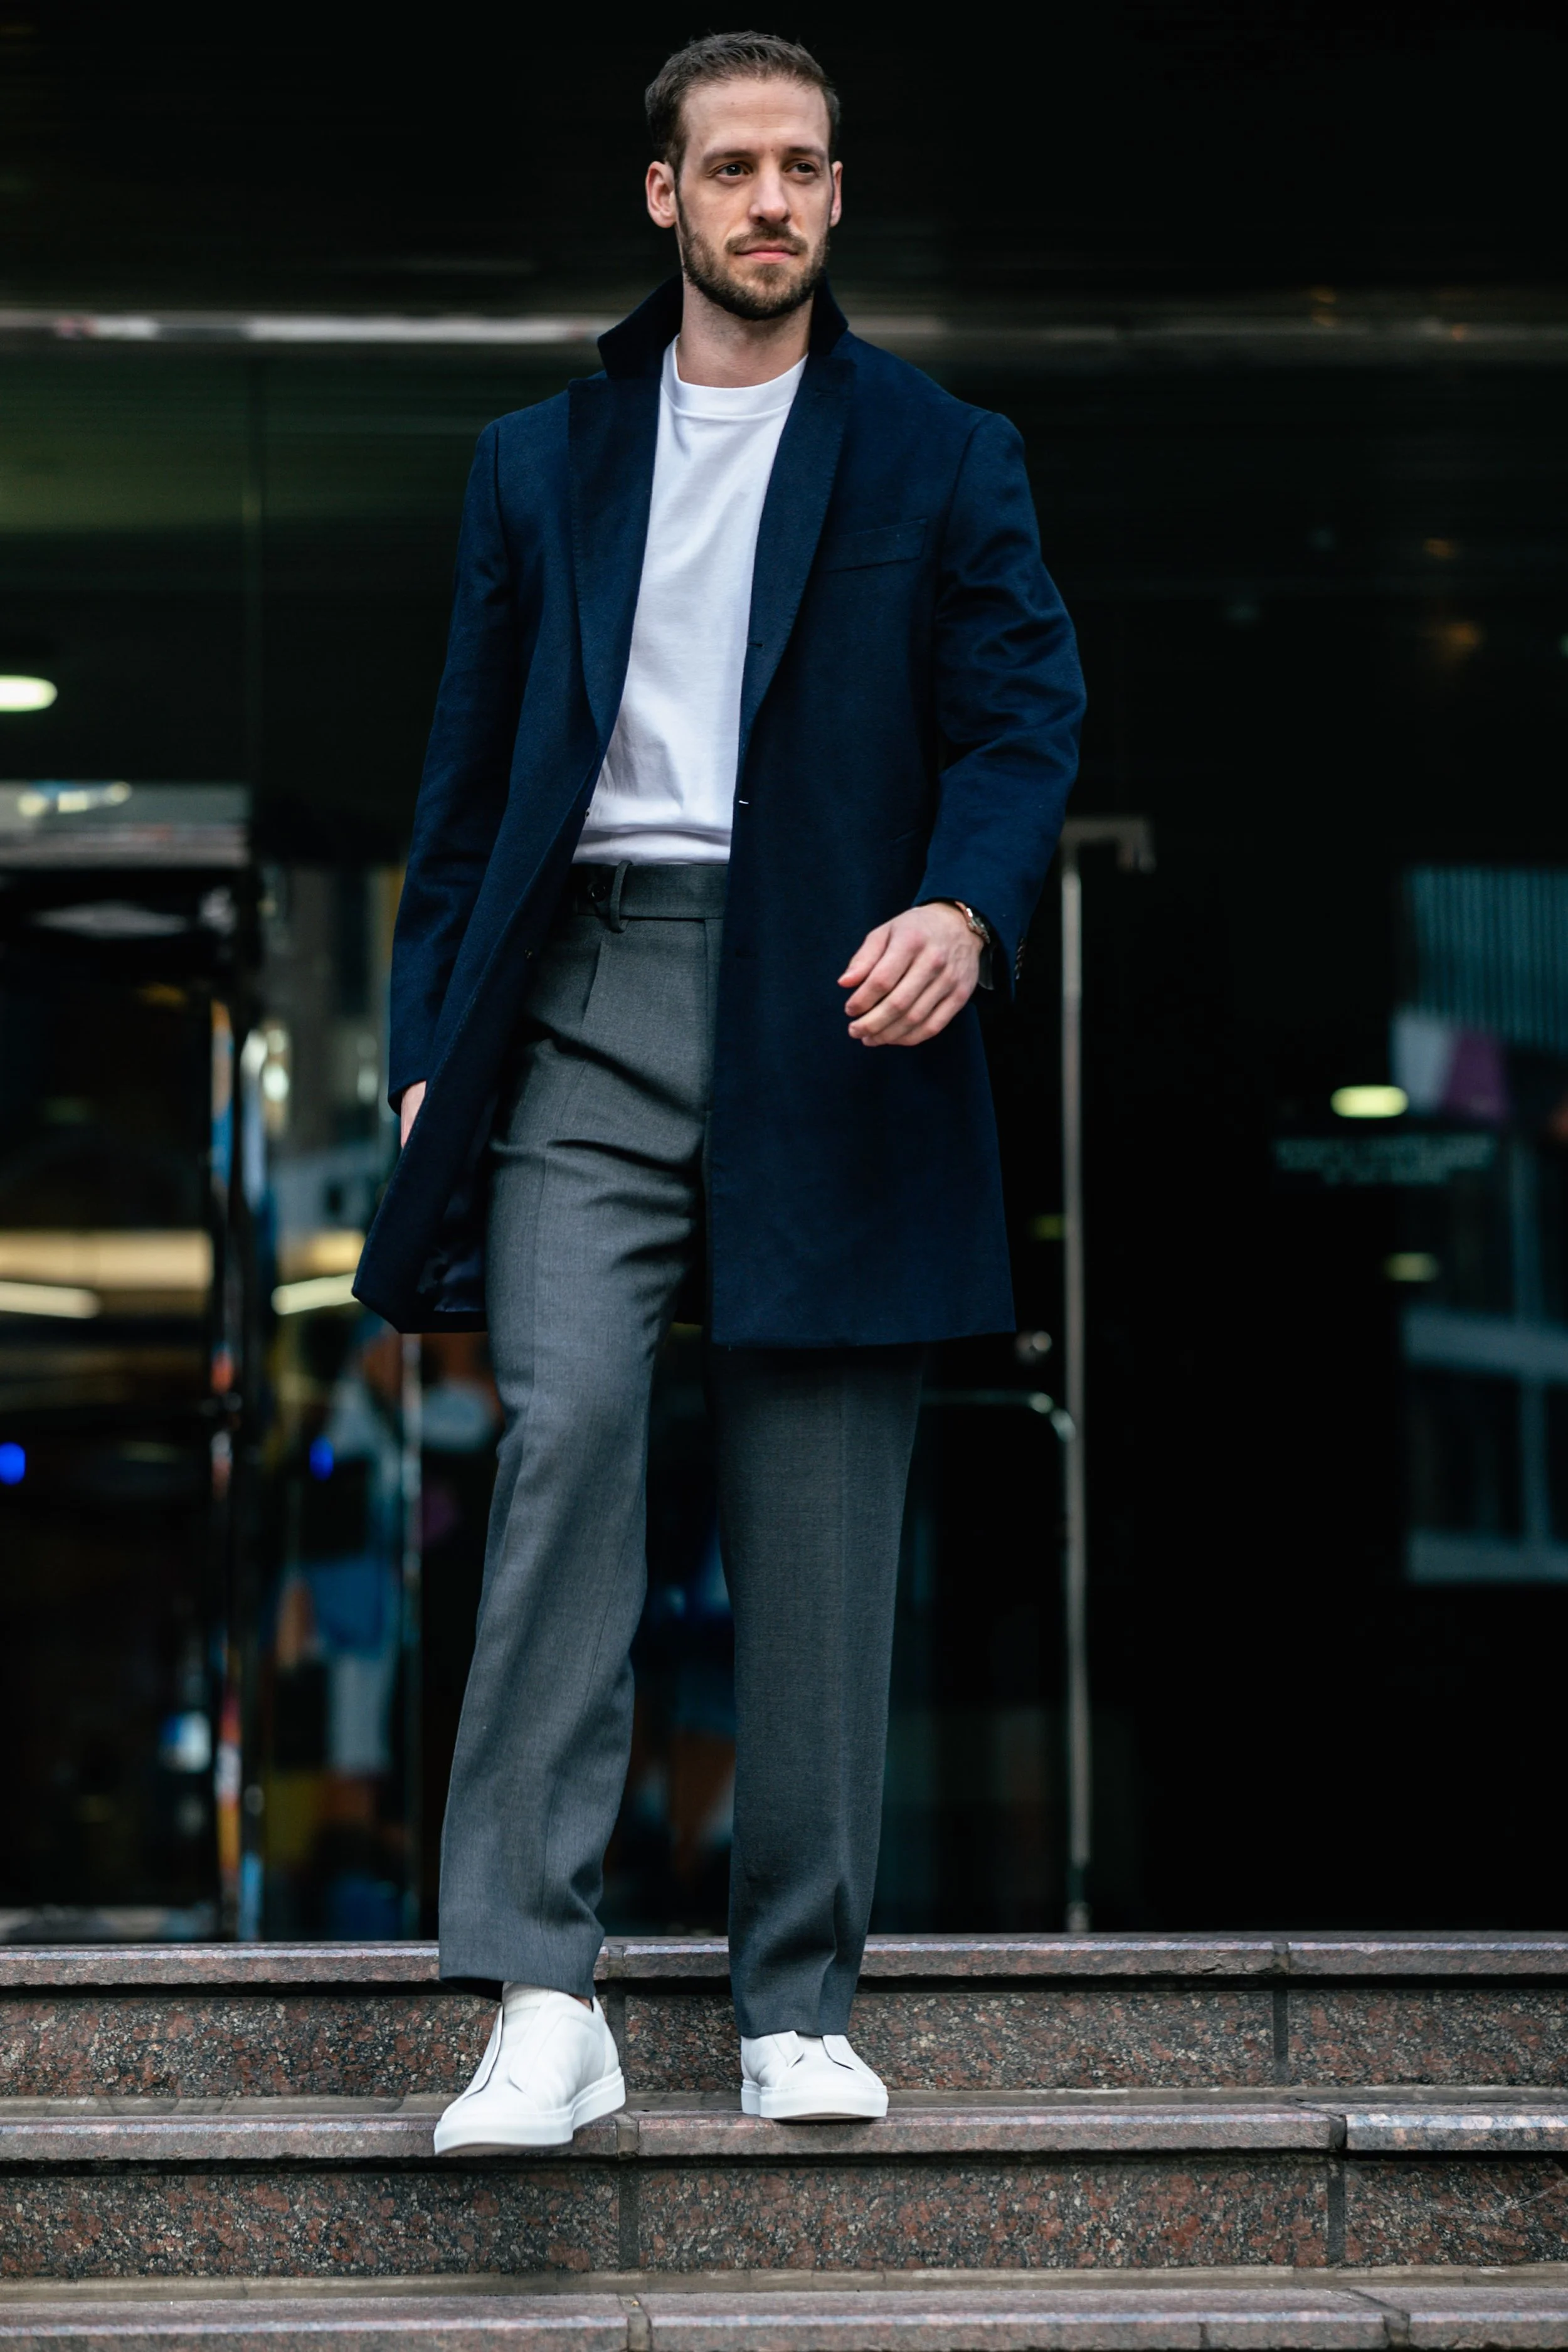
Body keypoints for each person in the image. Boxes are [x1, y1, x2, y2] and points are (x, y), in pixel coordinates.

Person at [353, 29, 1084, 2147]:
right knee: (569, 1427)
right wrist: (425, 1057)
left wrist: (963, 906)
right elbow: (468, 788)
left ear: (837, 200)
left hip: (836, 1018)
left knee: (821, 1507)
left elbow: (1022, 720)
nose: (771, 201)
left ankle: (794, 2004)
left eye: (805, 170)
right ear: (662, 199)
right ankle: (535, 1995)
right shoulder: (538, 462)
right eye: (732, 169)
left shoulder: (944, 453)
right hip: (585, 998)